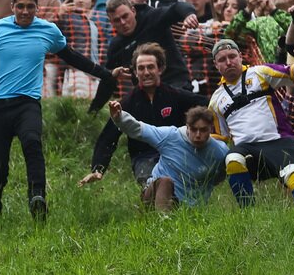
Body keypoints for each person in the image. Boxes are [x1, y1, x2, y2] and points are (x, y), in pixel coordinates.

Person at [0, 0, 114, 218]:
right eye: (21, 7)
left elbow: (73, 58)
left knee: (32, 143)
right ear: (12, 6)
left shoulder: (48, 31)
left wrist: (104, 74)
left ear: (37, 7)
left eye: (31, 7)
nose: (25, 12)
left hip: (27, 103)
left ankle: (37, 196)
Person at [81, 43, 207, 189]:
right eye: (141, 68)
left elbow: (208, 105)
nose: (146, 72)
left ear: (160, 69)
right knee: (155, 184)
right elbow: (107, 138)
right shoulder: (127, 103)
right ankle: (152, 201)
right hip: (144, 158)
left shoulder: (176, 96)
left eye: (151, 67)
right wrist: (98, 169)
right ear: (135, 72)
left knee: (179, 185)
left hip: (175, 153)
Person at [207, 38, 294, 207]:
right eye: (222, 59)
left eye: (232, 56)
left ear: (240, 56)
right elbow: (220, 138)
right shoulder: (215, 100)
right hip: (248, 151)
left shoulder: (259, 73)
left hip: (278, 142)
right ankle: (247, 211)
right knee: (233, 158)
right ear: (216, 65)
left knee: (293, 173)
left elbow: (289, 72)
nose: (228, 62)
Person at [107, 100, 229, 211]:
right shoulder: (171, 136)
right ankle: (164, 224)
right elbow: (139, 129)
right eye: (193, 129)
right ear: (187, 128)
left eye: (203, 130)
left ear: (211, 129)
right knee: (165, 182)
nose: (198, 135)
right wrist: (120, 118)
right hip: (154, 197)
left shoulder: (219, 151)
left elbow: (221, 176)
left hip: (190, 206)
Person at [88, 0, 199, 111]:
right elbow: (108, 80)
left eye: (125, 16)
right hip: (147, 92)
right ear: (111, 22)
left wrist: (189, 14)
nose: (123, 22)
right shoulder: (116, 46)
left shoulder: (153, 18)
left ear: (133, 11)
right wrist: (93, 110)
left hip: (176, 82)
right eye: (117, 20)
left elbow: (177, 7)